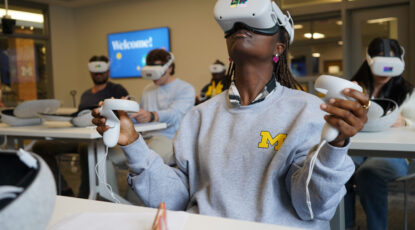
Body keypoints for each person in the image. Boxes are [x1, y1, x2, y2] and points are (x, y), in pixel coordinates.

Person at [92, 1, 369, 229]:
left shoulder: (307, 111)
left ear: (279, 48)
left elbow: (309, 206)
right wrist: (132, 142)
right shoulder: (199, 117)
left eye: (253, 25)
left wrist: (335, 145)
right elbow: (174, 199)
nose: (241, 29)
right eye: (234, 26)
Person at [32, 55, 128, 197]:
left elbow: (124, 111)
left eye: (102, 71)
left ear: (108, 71)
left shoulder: (117, 90)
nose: (99, 74)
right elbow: (78, 115)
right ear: (90, 72)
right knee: (40, 147)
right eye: (95, 72)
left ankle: (86, 195)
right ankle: (63, 189)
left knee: (85, 147)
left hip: (99, 136)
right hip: (79, 134)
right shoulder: (86, 94)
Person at [345, 38, 415, 230]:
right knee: (340, 167)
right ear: (369, 60)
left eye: (391, 62)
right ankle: (346, 225)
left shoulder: (408, 92)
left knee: (369, 173)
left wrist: (405, 122)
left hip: (394, 155)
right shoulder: (355, 88)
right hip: (358, 149)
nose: (386, 70)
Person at [128, 49, 195, 163]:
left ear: (169, 68)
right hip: (144, 137)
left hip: (168, 138)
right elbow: (142, 119)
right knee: (109, 155)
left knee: (143, 159)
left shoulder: (185, 89)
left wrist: (152, 116)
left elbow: (174, 114)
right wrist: (126, 111)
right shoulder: (148, 90)